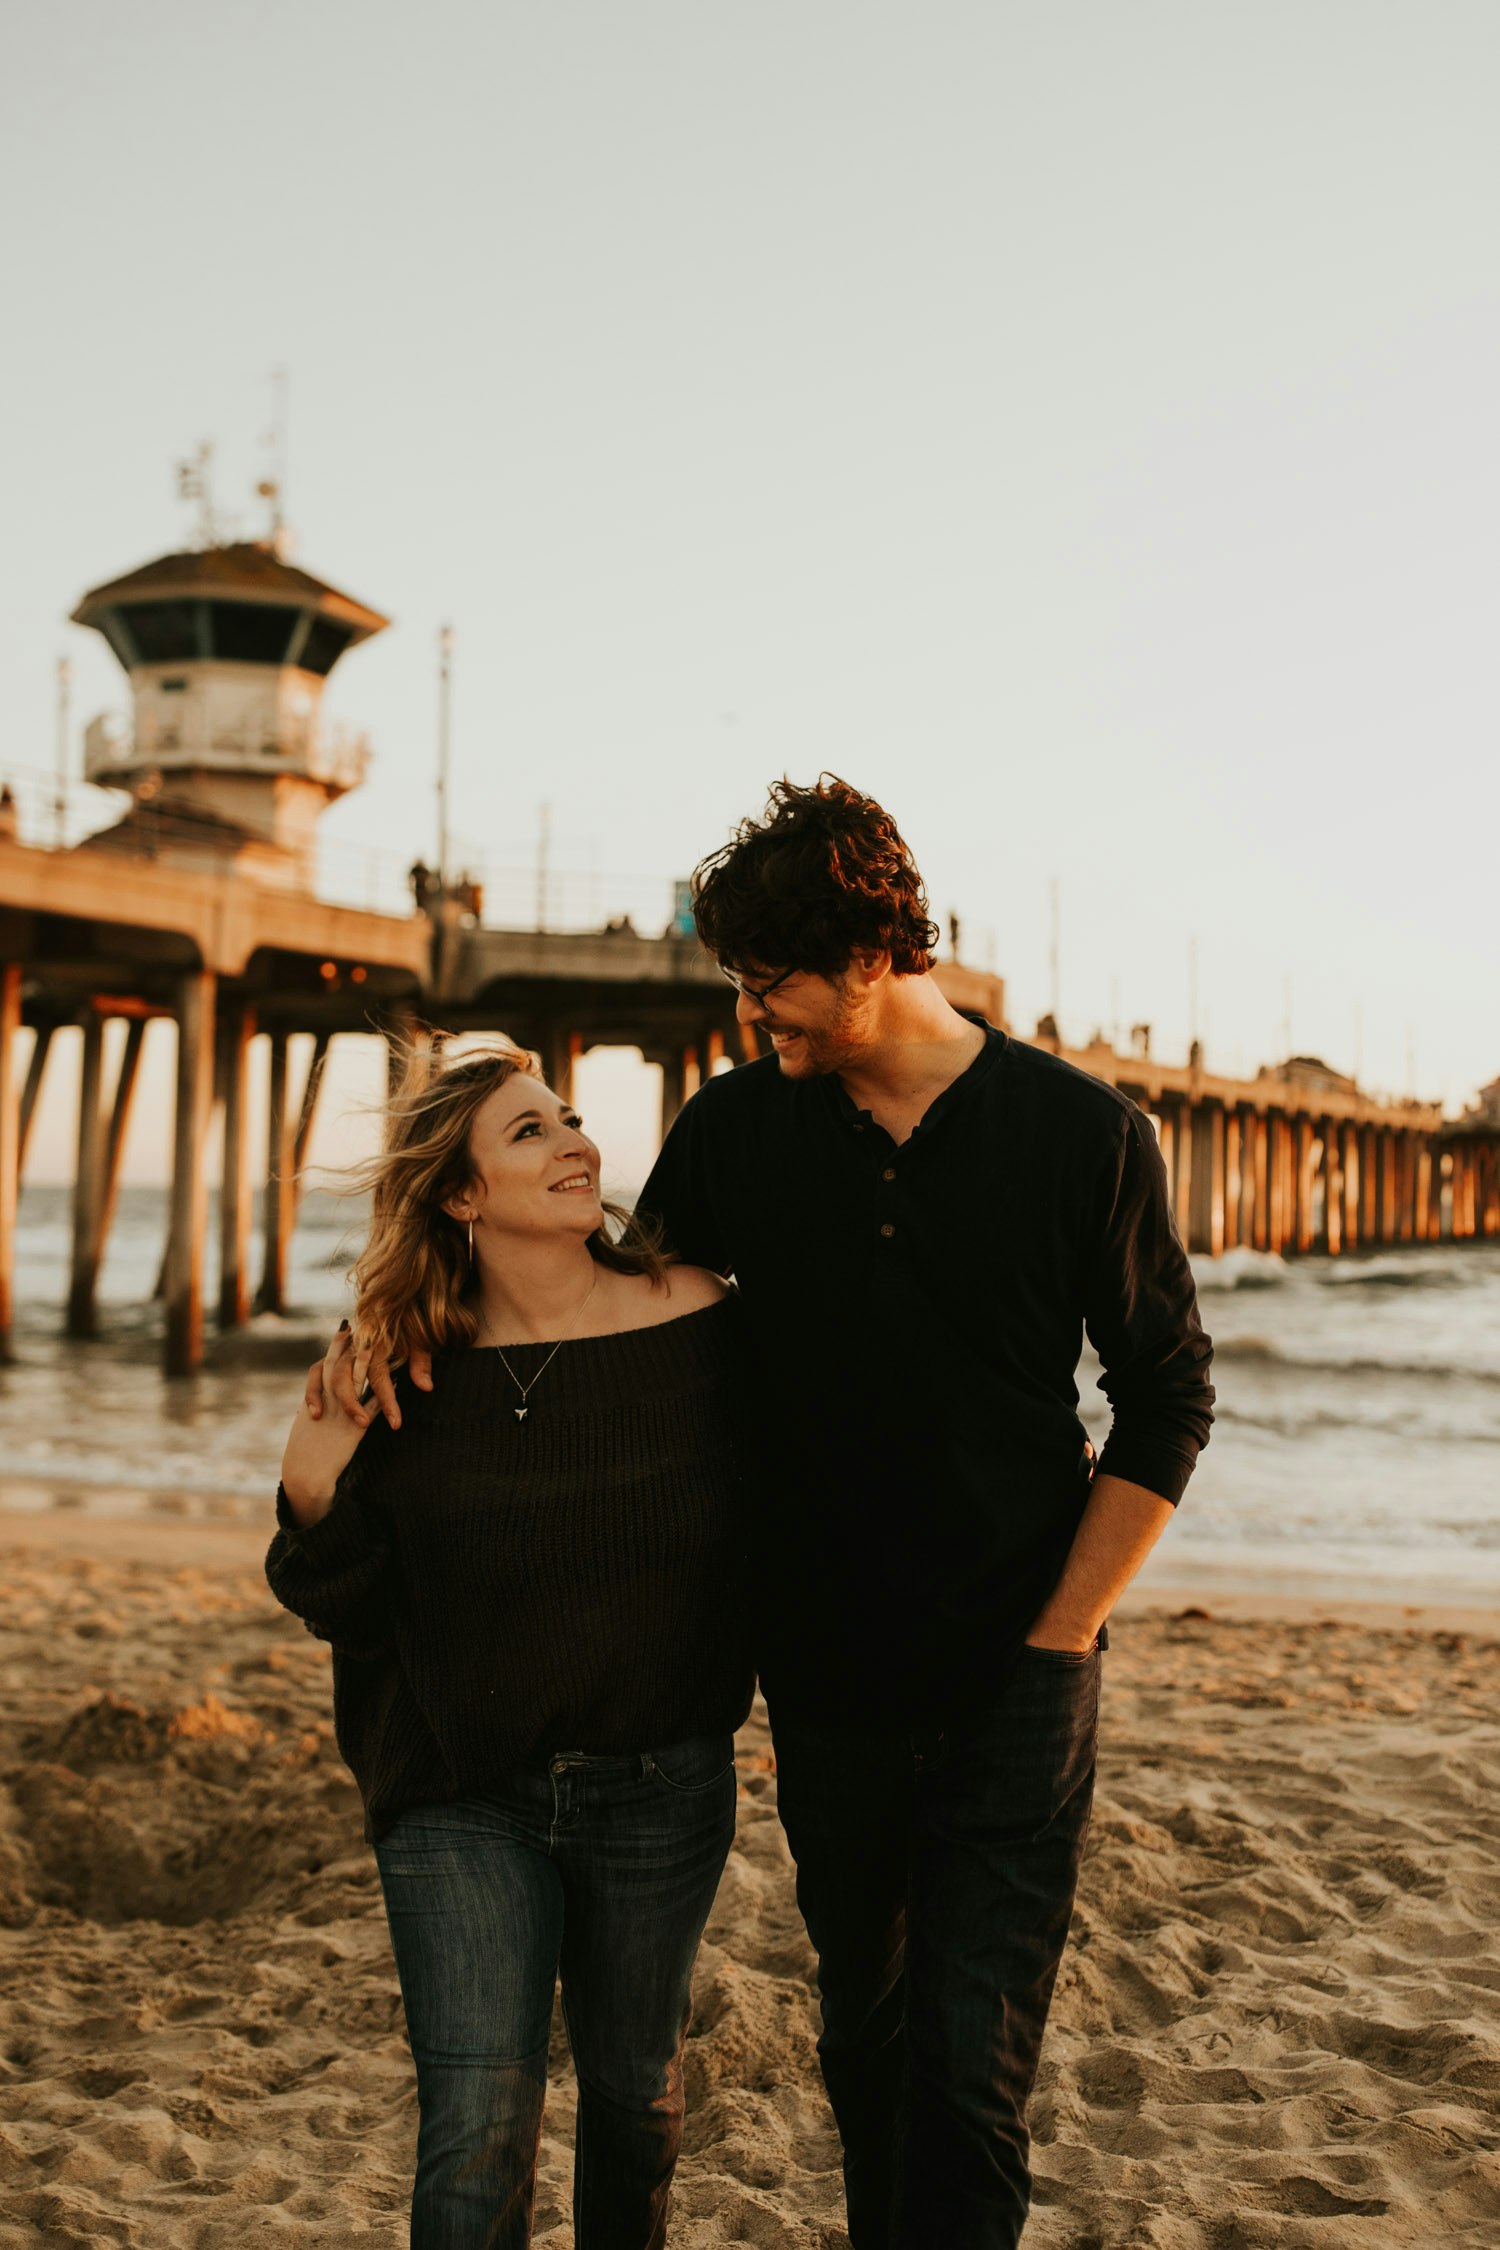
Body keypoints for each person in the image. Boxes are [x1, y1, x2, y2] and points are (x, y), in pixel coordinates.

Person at [321, 778, 1216, 2250]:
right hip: (827, 1682)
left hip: (1020, 1671)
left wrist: (1066, 1633)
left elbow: (1167, 1394)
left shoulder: (1085, 1136)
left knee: (972, 2071)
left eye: (772, 983)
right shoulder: (741, 1132)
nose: (755, 1017)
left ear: (872, 952)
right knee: (865, 2050)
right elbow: (609, 1306)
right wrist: (410, 1325)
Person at [271, 1035, 753, 2250]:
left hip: (662, 1786)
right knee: (478, 2119)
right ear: (462, 1193)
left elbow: (795, 1505)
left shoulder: (702, 1320)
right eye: (529, 1131)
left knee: (636, 2096)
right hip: (458, 1789)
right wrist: (313, 1493)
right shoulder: (403, 1368)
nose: (576, 1143)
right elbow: (349, 1606)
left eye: (571, 1118)